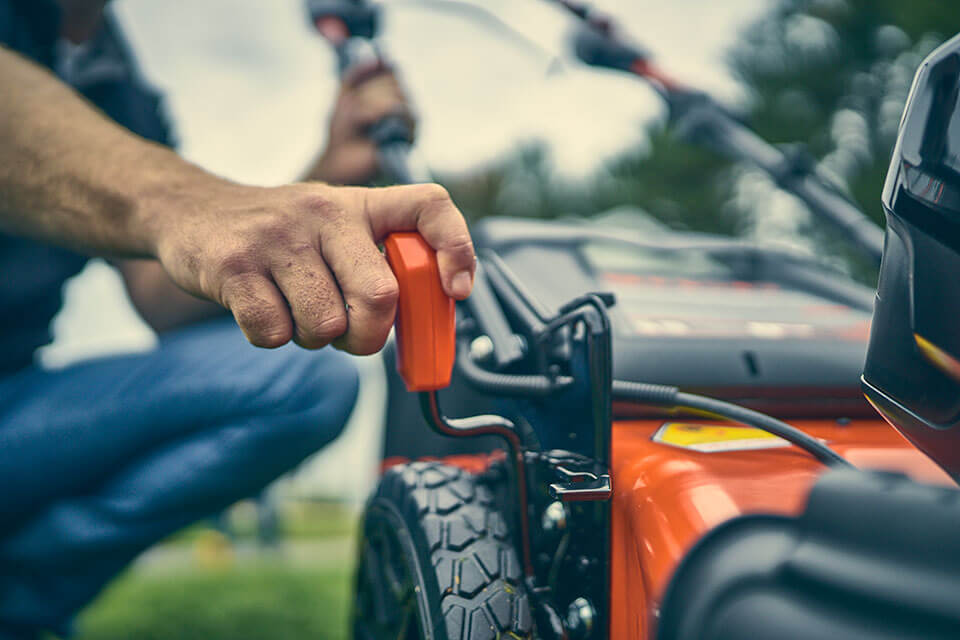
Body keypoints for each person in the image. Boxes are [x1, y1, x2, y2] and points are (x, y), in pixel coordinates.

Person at [0, 1, 475, 637]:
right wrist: (181, 204)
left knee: (301, 382)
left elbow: (161, 297)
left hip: (19, 401)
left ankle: (22, 598)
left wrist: (327, 174)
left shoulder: (119, 85)